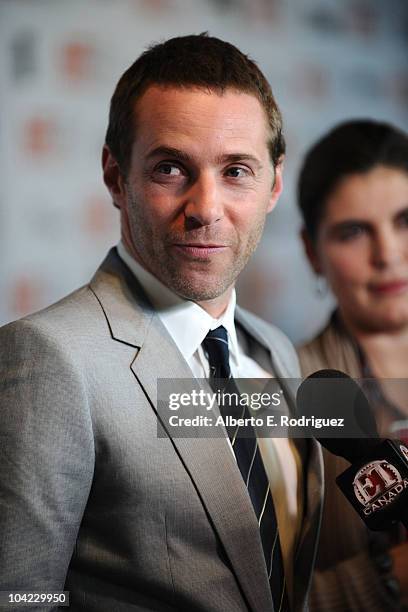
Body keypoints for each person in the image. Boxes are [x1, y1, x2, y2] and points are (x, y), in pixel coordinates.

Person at [0, 34, 323, 612]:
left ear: (274, 184)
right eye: (171, 168)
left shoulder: (274, 352)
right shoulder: (48, 356)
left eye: (236, 171)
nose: (205, 207)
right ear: (115, 176)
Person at [297, 119, 408, 611]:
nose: (388, 255)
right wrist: (391, 579)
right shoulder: (285, 398)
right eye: (354, 232)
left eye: (406, 222)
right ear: (311, 252)